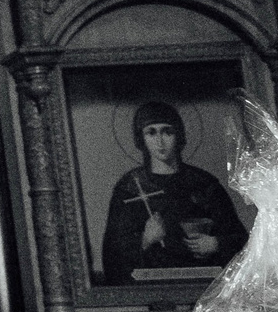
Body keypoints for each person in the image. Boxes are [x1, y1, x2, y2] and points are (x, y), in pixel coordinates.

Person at [98, 101, 248, 284]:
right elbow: (113, 255)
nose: (160, 141)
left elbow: (240, 239)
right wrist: (145, 240)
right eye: (151, 132)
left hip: (202, 283)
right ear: (141, 138)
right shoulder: (129, 187)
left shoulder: (203, 183)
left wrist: (216, 244)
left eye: (167, 131)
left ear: (179, 135)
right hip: (150, 287)